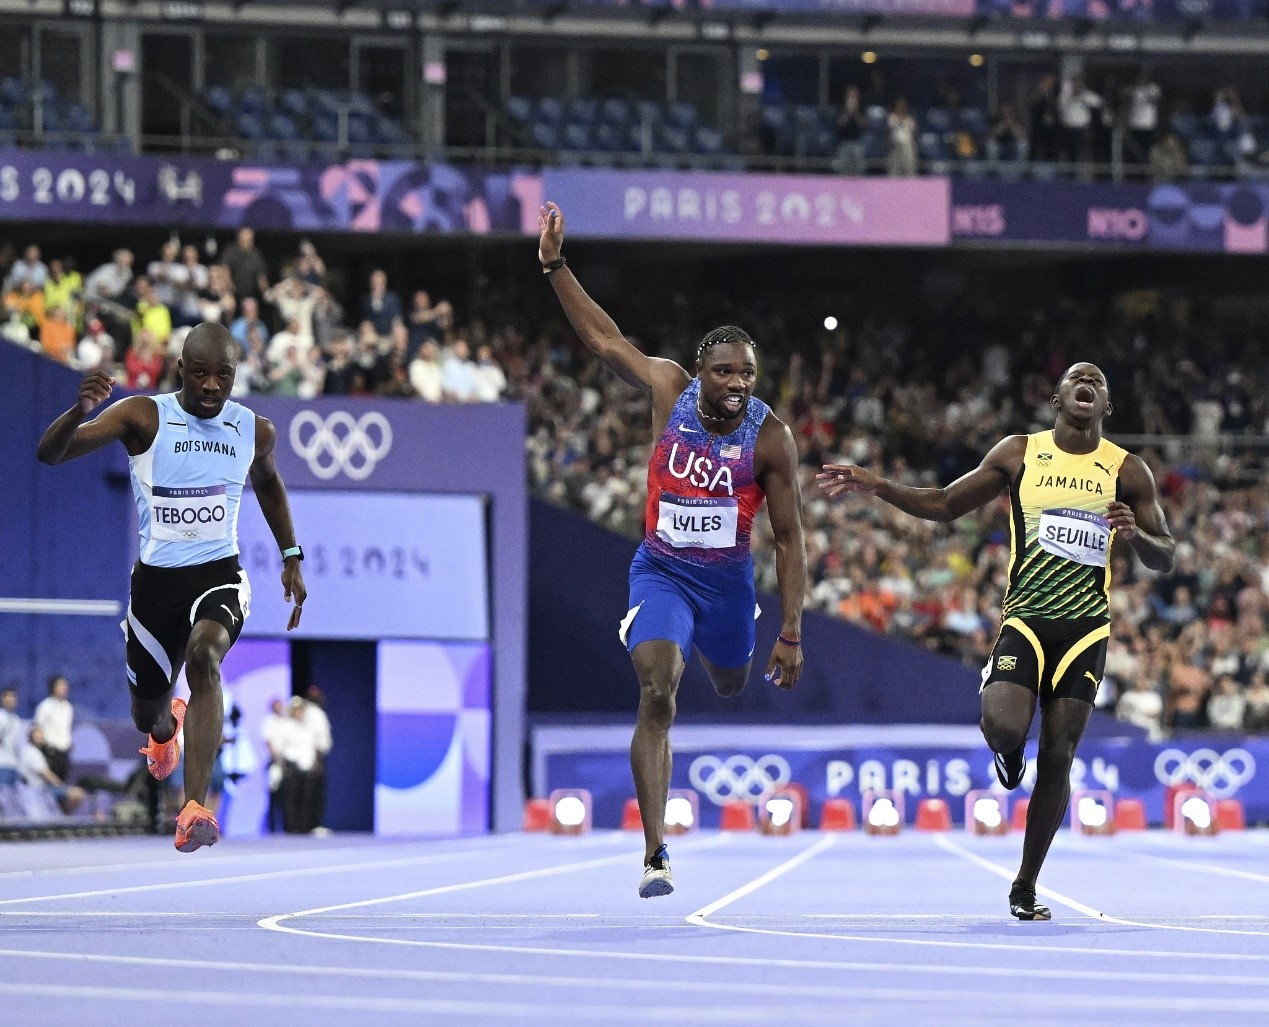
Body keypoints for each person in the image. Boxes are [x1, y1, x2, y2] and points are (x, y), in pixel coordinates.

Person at [818, 362, 1175, 920]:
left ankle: (1025, 885)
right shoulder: (1018, 453)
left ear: (1106, 406)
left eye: (1099, 381)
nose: (1087, 381)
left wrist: (1138, 535)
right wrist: (878, 485)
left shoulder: (1129, 471)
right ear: (1056, 396)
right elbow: (943, 505)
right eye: (1076, 377)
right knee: (1005, 725)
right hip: (1028, 619)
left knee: (1059, 756)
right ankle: (1008, 753)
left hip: (1086, 629)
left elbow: (1167, 555)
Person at [538, 201, 806, 898]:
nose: (736, 385)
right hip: (660, 571)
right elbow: (602, 339)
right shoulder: (666, 388)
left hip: (727, 587)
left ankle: (733, 645)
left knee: (728, 681)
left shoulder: (769, 437)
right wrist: (554, 264)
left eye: (746, 373)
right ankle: (656, 852)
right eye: (724, 373)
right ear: (699, 370)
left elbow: (788, 538)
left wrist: (791, 630)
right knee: (656, 692)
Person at [36, 321, 308, 852]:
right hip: (155, 589)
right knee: (147, 712)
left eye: (223, 376)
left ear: (235, 375)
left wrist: (291, 555)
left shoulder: (254, 430)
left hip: (218, 576)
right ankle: (166, 733)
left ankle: (194, 808)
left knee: (205, 658)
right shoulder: (144, 416)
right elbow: (51, 454)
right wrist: (78, 413)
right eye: (201, 374)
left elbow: (269, 484)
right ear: (181, 369)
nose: (211, 386)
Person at [33, 675, 74, 782]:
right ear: (53, 687)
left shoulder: (68, 707)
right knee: (51, 786)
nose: (64, 688)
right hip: (50, 752)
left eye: (65, 685)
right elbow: (37, 729)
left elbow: (66, 729)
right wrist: (43, 749)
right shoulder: (45, 706)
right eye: (60, 685)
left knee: (63, 785)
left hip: (64, 754)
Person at [0, 687, 21, 787]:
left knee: (10, 801)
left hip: (13, 765)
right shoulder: (1, 717)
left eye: (13, 697)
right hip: (2, 764)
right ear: (2, 699)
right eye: (7, 696)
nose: (11, 699)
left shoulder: (16, 720)